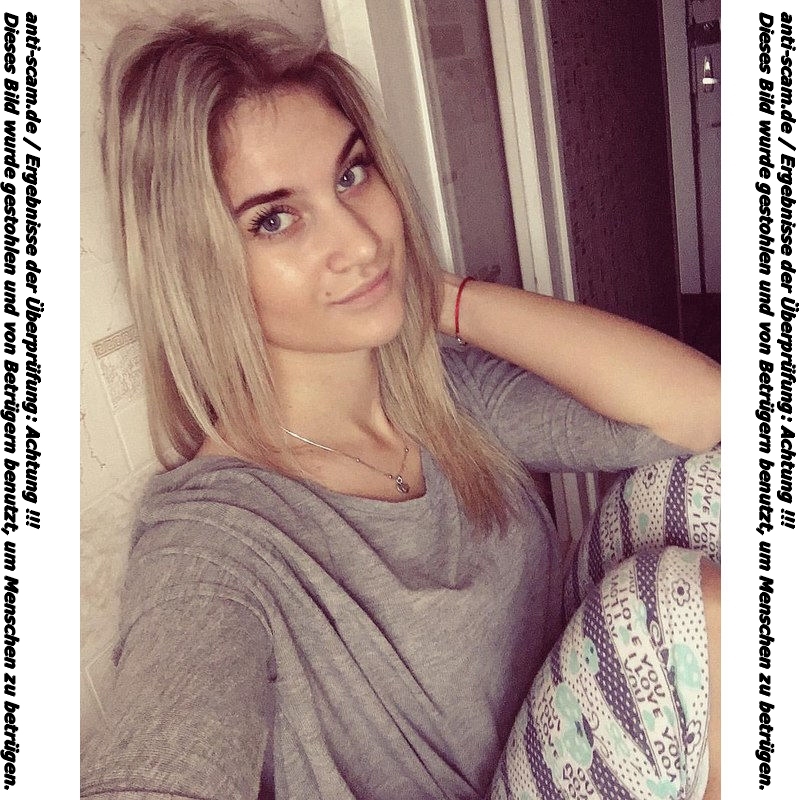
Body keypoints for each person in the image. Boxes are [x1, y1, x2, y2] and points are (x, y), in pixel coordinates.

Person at [82, 11, 721, 800]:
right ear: (197, 267)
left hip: (562, 732)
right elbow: (161, 753)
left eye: (351, 176)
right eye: (275, 219)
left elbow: (701, 413)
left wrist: (438, 295)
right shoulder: (214, 540)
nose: (360, 241)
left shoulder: (437, 395)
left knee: (715, 485)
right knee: (680, 608)